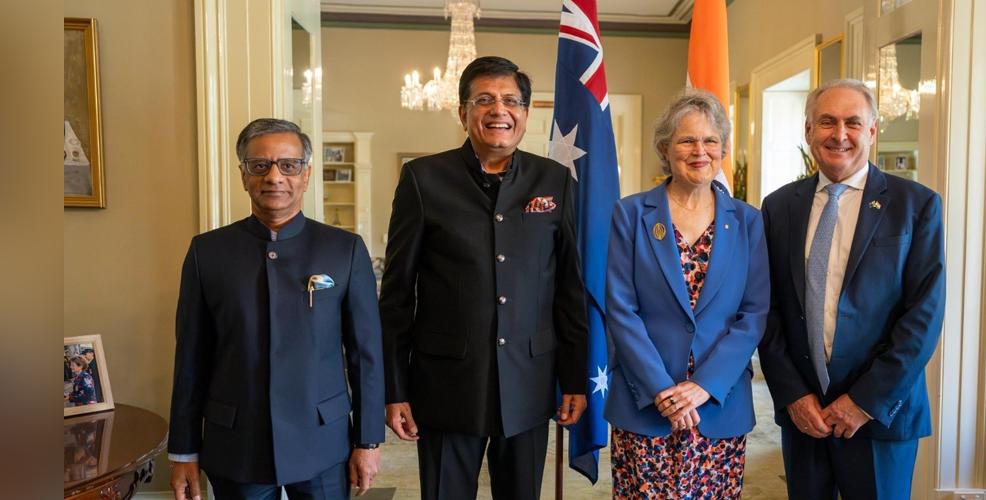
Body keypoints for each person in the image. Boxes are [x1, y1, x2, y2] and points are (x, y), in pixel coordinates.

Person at [379, 55, 589, 500]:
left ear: (526, 114)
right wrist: (393, 389)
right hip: (446, 387)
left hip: (530, 385)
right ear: (463, 112)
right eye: (484, 100)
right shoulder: (423, 179)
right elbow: (396, 297)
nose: (499, 110)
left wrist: (573, 379)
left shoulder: (555, 180)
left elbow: (569, 290)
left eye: (511, 100)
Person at [168, 119, 385, 500]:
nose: (274, 177)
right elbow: (190, 358)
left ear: (306, 174)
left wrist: (367, 442)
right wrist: (184, 450)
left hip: (324, 442)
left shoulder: (344, 250)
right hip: (238, 443)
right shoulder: (207, 252)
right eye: (260, 165)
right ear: (243, 175)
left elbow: (366, 356)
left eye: (288, 165)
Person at [758, 79, 945, 499]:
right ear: (808, 131)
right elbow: (766, 311)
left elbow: (924, 316)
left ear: (873, 131)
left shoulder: (916, 206)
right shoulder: (778, 207)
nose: (839, 134)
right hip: (806, 416)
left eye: (853, 123)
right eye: (826, 121)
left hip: (881, 415)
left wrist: (862, 402)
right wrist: (793, 394)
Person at [603, 88, 769, 499]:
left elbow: (754, 314)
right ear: (665, 148)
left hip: (718, 405)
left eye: (711, 141)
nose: (701, 151)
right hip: (646, 403)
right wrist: (663, 390)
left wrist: (704, 386)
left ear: (723, 148)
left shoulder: (748, 220)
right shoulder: (630, 213)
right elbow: (621, 309)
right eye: (687, 140)